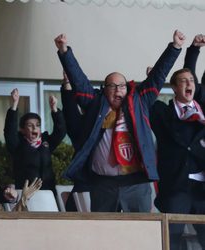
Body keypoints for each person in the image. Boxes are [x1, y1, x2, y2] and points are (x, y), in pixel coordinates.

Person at [54, 30, 185, 212]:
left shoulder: (139, 102)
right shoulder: (94, 104)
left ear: (128, 88)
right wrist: (64, 51)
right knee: (105, 234)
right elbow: (79, 80)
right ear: (104, 89)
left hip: (136, 183)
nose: (118, 91)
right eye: (112, 86)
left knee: (139, 233)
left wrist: (175, 47)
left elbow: (157, 76)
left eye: (122, 86)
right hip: (102, 185)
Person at [150, 34, 205, 249]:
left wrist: (194, 50)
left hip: (202, 189)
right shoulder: (161, 111)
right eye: (183, 81)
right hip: (176, 187)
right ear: (173, 87)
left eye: (191, 81)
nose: (188, 84)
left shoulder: (202, 109)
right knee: (170, 239)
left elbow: (191, 76)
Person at [4, 88, 66, 194]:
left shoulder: (46, 142)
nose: (34, 128)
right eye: (30, 125)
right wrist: (14, 105)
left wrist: (54, 109)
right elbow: (9, 131)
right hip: (26, 193)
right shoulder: (18, 145)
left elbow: (61, 131)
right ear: (22, 130)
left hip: (48, 192)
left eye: (37, 125)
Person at [61, 72, 90, 211]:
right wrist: (67, 84)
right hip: (84, 183)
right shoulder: (81, 127)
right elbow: (70, 111)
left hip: (109, 186)